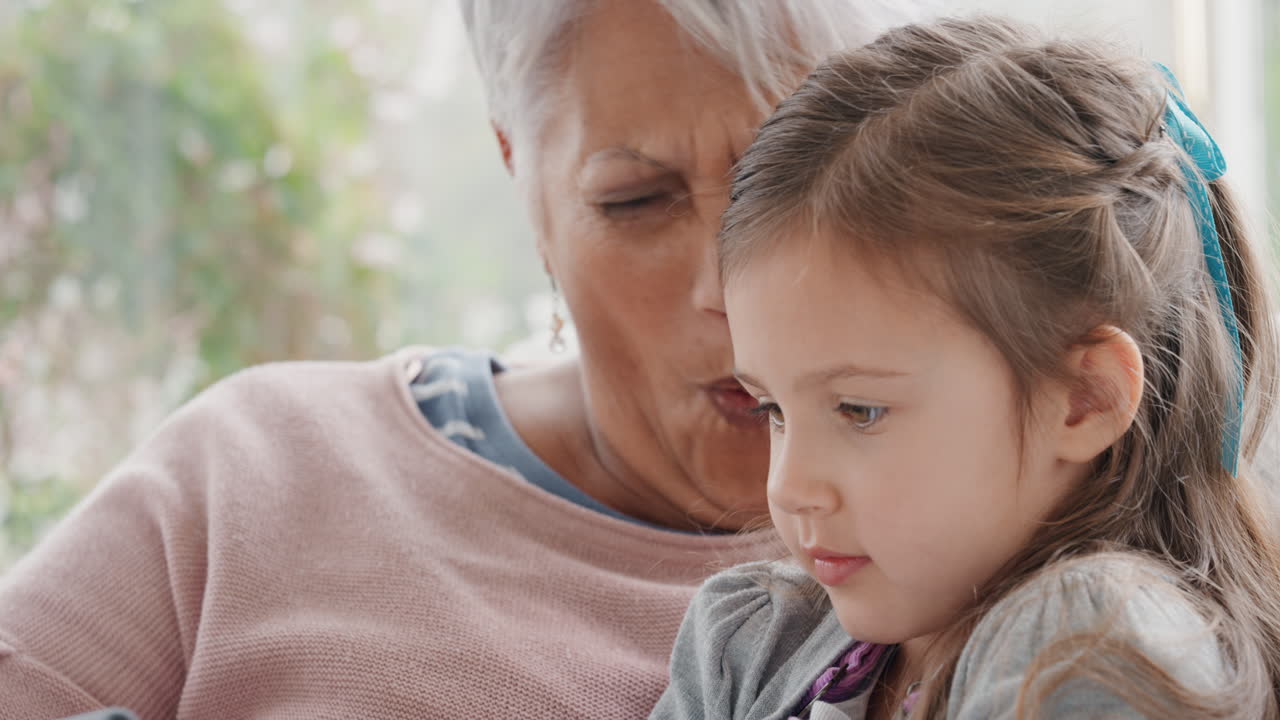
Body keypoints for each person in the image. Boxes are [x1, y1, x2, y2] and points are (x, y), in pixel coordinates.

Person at [0, 1, 924, 718]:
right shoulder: (264, 466)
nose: (731, 284)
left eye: (796, 177)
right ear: (522, 180)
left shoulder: (986, 523)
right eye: (638, 200)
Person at [651, 16, 1280, 720]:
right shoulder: (752, 638)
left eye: (860, 409)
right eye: (772, 409)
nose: (790, 488)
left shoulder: (1089, 647)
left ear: (1084, 396)